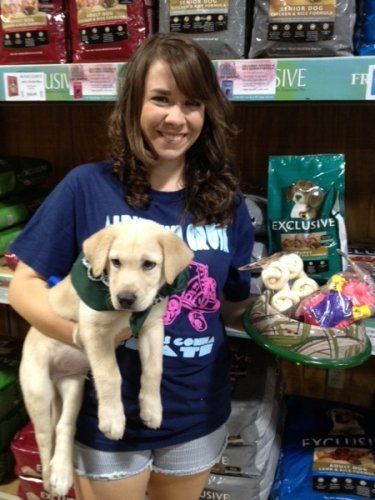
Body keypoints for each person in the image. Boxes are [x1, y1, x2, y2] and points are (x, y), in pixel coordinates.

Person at [8, 33, 254, 500]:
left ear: (208, 113)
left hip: (194, 409)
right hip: (106, 416)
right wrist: (83, 335)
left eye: (193, 103)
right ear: (132, 106)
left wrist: (289, 311)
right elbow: (24, 287)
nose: (176, 118)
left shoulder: (226, 201)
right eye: (161, 99)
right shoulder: (87, 186)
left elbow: (231, 308)